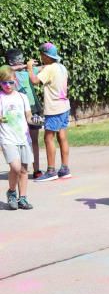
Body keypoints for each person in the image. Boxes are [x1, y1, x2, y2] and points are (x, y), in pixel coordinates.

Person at [27, 42, 71, 182]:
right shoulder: (61, 67)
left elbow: (34, 81)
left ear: (46, 56)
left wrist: (29, 68)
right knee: (62, 136)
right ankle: (64, 169)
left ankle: (51, 171)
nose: (40, 57)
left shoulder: (49, 69)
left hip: (53, 109)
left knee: (48, 138)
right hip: (64, 106)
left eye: (42, 55)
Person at [4, 49, 42, 178]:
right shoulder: (9, 73)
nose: (21, 60)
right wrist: (26, 65)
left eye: (22, 58)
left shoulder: (28, 72)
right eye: (18, 59)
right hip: (18, 111)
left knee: (34, 140)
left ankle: (36, 169)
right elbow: (8, 68)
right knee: (20, 141)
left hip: (33, 108)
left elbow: (43, 68)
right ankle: (20, 168)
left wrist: (52, 64)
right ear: (10, 62)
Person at [0, 65, 33, 209]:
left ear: (15, 81)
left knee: (24, 170)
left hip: (23, 138)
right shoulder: (0, 98)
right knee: (16, 167)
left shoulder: (22, 97)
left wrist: (34, 120)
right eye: (4, 83)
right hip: (7, 138)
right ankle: (12, 192)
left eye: (10, 82)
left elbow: (29, 116)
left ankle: (23, 198)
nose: (7, 85)